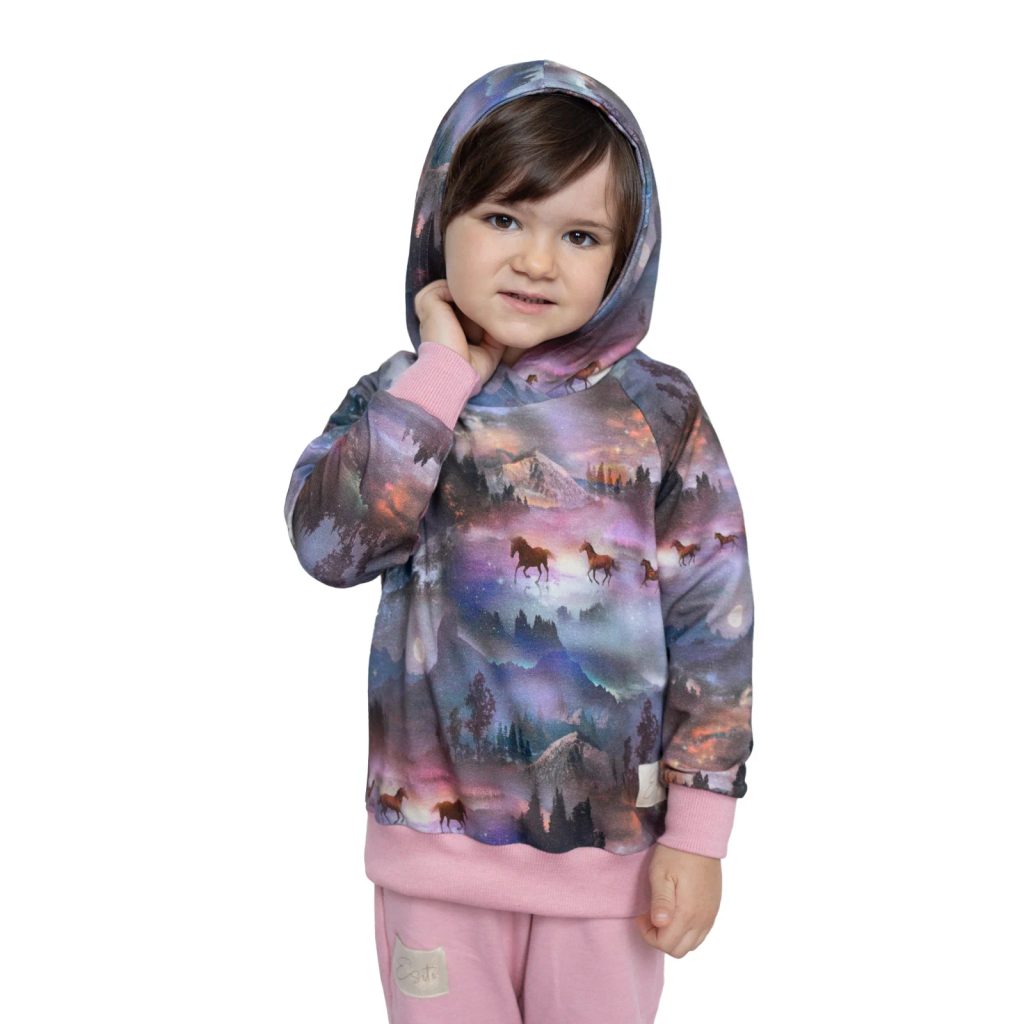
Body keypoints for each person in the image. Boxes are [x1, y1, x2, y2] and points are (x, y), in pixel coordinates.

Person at [283, 59, 754, 1024]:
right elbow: (333, 548)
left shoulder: (660, 414)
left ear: (625, 255)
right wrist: (439, 375)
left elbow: (716, 624)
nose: (537, 261)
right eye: (504, 219)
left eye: (578, 235)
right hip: (434, 849)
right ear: (438, 222)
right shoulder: (404, 399)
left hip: (613, 860)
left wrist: (700, 831)